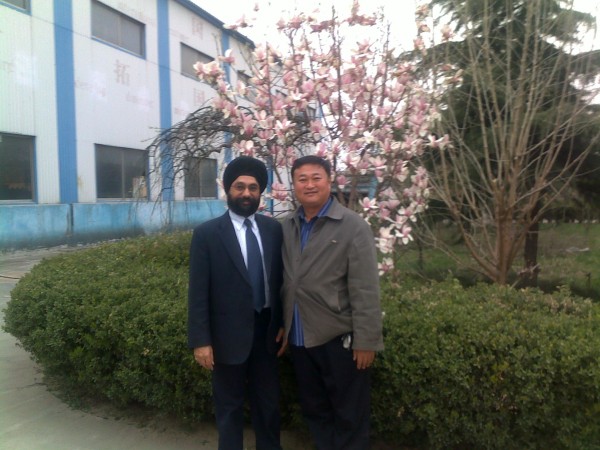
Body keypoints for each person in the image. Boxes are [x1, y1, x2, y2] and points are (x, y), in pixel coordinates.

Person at [280, 155, 384, 450]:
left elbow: (365, 288)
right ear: (294, 185)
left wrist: (367, 340)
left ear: (329, 181)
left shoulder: (352, 226)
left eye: (316, 178)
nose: (309, 185)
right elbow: (284, 280)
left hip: (338, 339)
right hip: (299, 339)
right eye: (302, 179)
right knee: (315, 410)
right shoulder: (288, 226)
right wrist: (282, 324)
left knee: (350, 415)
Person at [188, 156, 284, 450]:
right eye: (239, 187)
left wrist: (282, 323)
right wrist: (201, 340)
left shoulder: (273, 230)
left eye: (253, 188)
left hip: (266, 333)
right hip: (226, 336)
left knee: (268, 405)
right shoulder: (207, 234)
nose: (246, 193)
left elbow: (280, 282)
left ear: (260, 193)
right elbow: (198, 292)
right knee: (229, 409)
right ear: (228, 190)